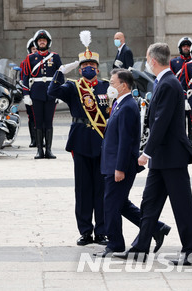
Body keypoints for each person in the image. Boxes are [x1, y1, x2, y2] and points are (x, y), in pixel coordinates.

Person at [121, 43, 192, 266]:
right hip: (162, 157)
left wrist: (146, 152)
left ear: (153, 61)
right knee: (149, 203)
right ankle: (140, 247)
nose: (147, 63)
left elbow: (161, 122)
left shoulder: (168, 83)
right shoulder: (163, 82)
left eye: (148, 59)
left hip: (172, 157)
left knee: (182, 205)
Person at [96, 68, 170, 257]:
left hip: (119, 166)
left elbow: (126, 141)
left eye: (113, 83)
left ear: (123, 85)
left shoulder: (128, 106)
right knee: (120, 204)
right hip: (112, 163)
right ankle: (156, 228)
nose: (110, 86)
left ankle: (115, 243)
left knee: (111, 205)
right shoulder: (119, 104)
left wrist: (119, 168)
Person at [47, 31, 108, 246]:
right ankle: (85, 231)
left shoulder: (106, 86)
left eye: (90, 65)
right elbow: (51, 91)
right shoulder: (73, 87)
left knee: (101, 189)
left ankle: (102, 231)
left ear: (98, 68)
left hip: (101, 142)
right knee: (83, 189)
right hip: (81, 141)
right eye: (83, 66)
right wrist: (61, 72)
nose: (87, 69)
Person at [22, 29, 62, 159]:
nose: (42, 42)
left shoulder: (55, 57)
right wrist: (26, 95)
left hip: (51, 94)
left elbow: (60, 76)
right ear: (36, 42)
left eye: (44, 40)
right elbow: (25, 78)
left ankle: (48, 150)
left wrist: (60, 93)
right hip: (36, 94)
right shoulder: (30, 58)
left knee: (49, 122)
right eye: (40, 41)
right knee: (38, 122)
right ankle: (39, 150)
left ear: (48, 42)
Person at [170, 37, 192, 146]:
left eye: (188, 46)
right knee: (180, 118)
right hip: (178, 94)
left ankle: (191, 138)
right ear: (180, 48)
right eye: (184, 46)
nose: (186, 48)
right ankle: (181, 138)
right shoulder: (174, 62)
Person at [21, 38, 38, 148]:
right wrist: (25, 94)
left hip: (41, 93)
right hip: (30, 93)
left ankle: (43, 140)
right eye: (33, 49)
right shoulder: (24, 63)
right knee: (31, 117)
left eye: (36, 49)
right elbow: (23, 79)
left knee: (43, 118)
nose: (35, 51)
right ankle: (33, 139)